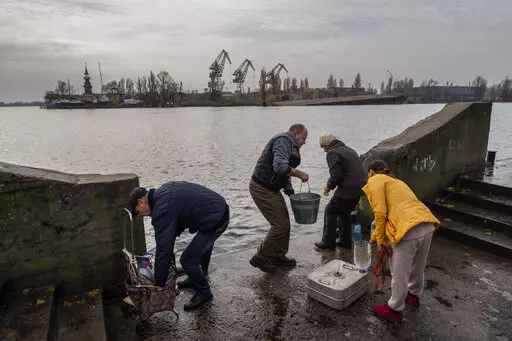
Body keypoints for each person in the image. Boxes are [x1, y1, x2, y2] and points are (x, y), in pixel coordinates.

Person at [129, 181, 229, 310]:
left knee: (187, 260)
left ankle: (204, 292)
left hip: (216, 218)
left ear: (141, 202)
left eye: (138, 212)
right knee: (202, 248)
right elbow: (178, 212)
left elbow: (164, 249)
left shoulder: (161, 209)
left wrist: (159, 282)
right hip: (217, 209)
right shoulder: (162, 192)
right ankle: (198, 276)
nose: (141, 216)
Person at [362, 159, 440, 322]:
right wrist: (376, 236)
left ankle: (394, 309)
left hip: (406, 231)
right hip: (426, 224)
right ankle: (413, 295)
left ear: (371, 172)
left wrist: (381, 239)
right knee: (418, 266)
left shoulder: (375, 180)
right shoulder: (397, 182)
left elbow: (381, 213)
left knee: (399, 271)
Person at [249, 123, 309, 273]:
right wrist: (301, 173)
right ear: (295, 134)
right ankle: (261, 256)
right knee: (279, 226)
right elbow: (280, 167)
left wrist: (290, 191)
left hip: (273, 188)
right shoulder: (283, 141)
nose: (305, 142)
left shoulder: (291, 145)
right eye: (303, 138)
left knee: (286, 224)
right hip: (261, 187)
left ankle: (277, 255)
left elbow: (285, 172)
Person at [314, 132, 367, 250]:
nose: (324, 151)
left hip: (347, 189)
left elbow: (336, 175)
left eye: (323, 147)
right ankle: (345, 242)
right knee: (344, 213)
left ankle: (328, 243)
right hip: (360, 189)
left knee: (330, 210)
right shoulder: (349, 150)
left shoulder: (332, 153)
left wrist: (328, 186)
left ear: (327, 145)